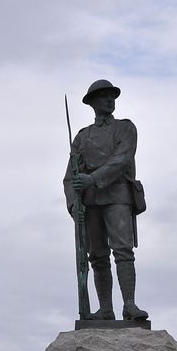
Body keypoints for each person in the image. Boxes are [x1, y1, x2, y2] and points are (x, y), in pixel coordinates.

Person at [64, 79, 148, 322]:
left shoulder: (125, 128)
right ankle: (105, 309)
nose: (109, 100)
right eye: (103, 97)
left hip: (118, 195)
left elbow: (121, 160)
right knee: (97, 256)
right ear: (92, 103)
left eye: (112, 96)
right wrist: (73, 204)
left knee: (123, 251)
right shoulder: (82, 137)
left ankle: (129, 305)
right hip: (91, 202)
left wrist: (92, 179)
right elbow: (71, 175)